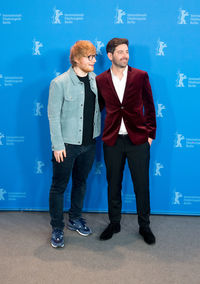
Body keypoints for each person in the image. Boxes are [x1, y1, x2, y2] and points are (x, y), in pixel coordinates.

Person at [96, 38, 156, 244]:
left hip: (138, 140)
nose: (125, 55)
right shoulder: (100, 80)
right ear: (110, 56)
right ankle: (114, 223)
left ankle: (144, 226)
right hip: (112, 141)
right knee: (113, 184)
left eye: (127, 51)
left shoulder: (140, 76)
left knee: (142, 185)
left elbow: (150, 105)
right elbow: (98, 108)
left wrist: (150, 135)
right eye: (120, 52)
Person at [48, 40, 101, 248]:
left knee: (81, 182)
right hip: (66, 146)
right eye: (90, 57)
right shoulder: (59, 83)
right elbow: (53, 116)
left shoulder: (96, 80)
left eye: (95, 56)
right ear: (77, 59)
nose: (94, 61)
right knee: (59, 187)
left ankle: (75, 219)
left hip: (89, 144)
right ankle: (57, 228)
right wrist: (57, 145)